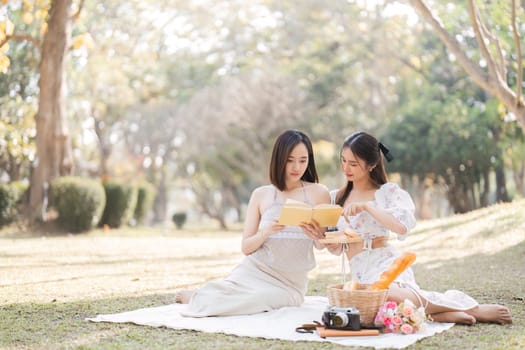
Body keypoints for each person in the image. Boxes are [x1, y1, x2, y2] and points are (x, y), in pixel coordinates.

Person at [309, 131, 512, 325]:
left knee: (387, 294)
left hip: (387, 266)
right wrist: (316, 235)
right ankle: (439, 315)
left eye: (353, 163)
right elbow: (335, 248)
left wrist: (368, 207)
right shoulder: (336, 198)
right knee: (362, 307)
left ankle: (471, 310)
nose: (346, 167)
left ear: (371, 165)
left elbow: (401, 227)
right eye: (343, 160)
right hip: (359, 274)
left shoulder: (387, 193)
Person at [175, 129, 331, 317]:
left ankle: (199, 297)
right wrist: (265, 232)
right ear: (279, 159)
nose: (296, 167)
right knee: (230, 293)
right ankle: (199, 296)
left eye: (303, 160)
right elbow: (246, 247)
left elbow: (321, 245)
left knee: (255, 299)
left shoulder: (319, 193)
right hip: (254, 271)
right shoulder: (261, 194)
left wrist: (316, 235)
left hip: (290, 284)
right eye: (290, 160)